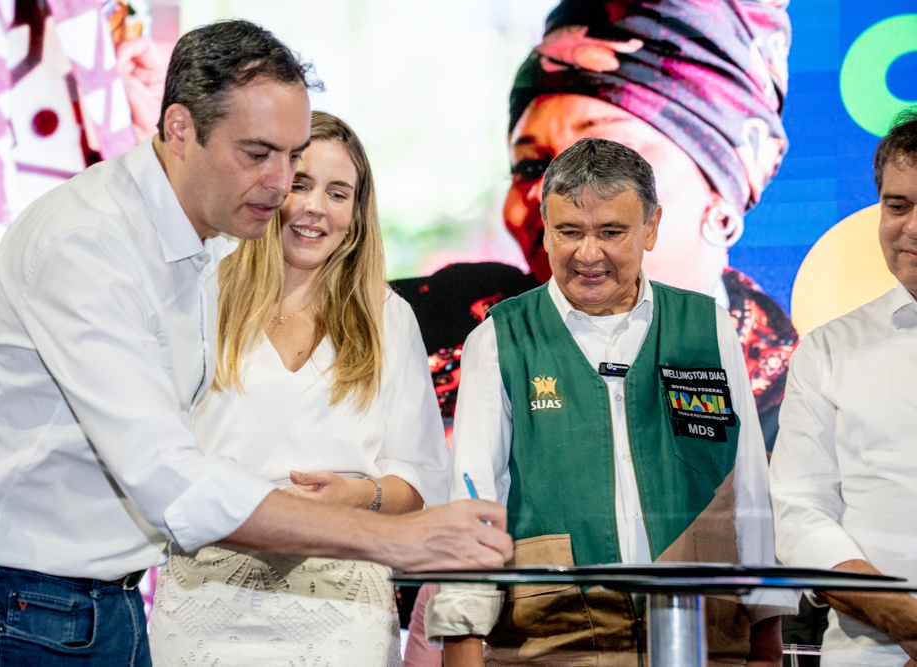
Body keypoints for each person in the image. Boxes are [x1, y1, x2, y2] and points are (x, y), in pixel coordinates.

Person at [0, 20, 512, 666]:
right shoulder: (90, 242)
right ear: (179, 129)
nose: (284, 186)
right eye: (258, 154)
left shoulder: (197, 250)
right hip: (14, 601)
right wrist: (393, 540)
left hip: (93, 604)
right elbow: (172, 480)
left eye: (293, 157)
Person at [424, 138, 797, 666]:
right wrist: (462, 642)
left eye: (611, 232)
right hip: (553, 643)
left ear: (650, 227)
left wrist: (766, 630)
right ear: (546, 229)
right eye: (569, 232)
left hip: (702, 638)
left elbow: (749, 491)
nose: (588, 253)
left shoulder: (708, 329)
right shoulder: (500, 338)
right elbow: (473, 501)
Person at [393, 0, 797, 452]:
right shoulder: (421, 327)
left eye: (607, 160)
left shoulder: (805, 406)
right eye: (530, 166)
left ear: (723, 199)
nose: (557, 201)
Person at [147, 110, 447, 666]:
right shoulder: (198, 293)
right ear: (270, 187)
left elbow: (422, 478)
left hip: (341, 608)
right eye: (301, 185)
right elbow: (153, 455)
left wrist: (358, 496)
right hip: (205, 598)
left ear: (357, 214)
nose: (314, 208)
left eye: (338, 193)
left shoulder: (388, 317)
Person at [769, 108, 917, 667]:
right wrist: (909, 624)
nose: (912, 226)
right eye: (897, 205)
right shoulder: (829, 350)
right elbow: (800, 515)